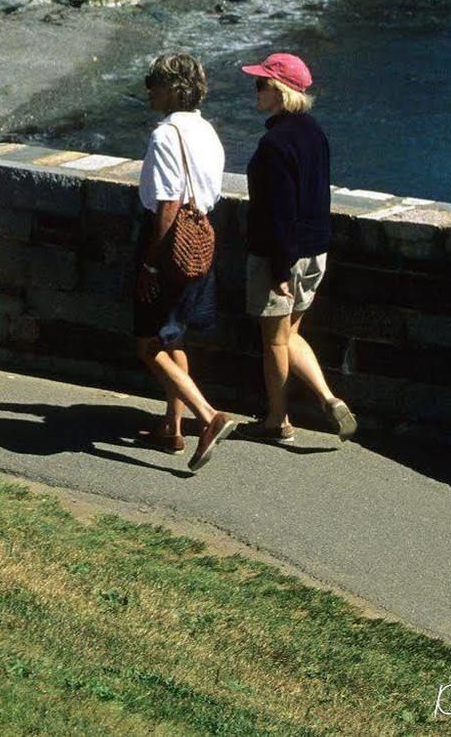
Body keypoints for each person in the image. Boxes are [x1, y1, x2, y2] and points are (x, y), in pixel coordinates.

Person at [241, 52, 356, 441]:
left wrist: (278, 269)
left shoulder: (275, 143)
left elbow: (279, 213)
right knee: (290, 334)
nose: (256, 91)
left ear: (279, 91)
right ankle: (328, 398)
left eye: (261, 84)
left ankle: (277, 420)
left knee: (274, 339)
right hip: (315, 251)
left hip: (282, 254)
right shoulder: (314, 133)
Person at [130, 53, 237, 471]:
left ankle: (207, 416)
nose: (148, 90)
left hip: (168, 242)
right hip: (200, 240)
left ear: (175, 88)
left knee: (147, 344)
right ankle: (171, 428)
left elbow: (168, 204)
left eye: (153, 81)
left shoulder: (164, 136)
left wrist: (152, 265)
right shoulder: (208, 131)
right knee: (174, 338)